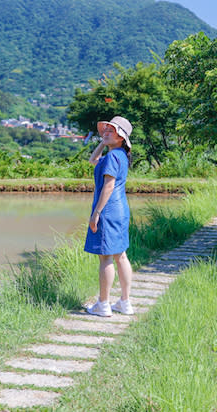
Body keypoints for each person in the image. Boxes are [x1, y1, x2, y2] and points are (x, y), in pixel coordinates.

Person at [84, 115, 134, 317]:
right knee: (121, 255)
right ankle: (125, 302)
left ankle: (103, 304)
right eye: (105, 129)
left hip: (108, 210)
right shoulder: (118, 155)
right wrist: (102, 143)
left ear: (121, 137)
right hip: (121, 210)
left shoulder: (113, 157)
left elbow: (109, 185)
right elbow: (93, 160)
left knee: (105, 258)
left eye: (111, 130)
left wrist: (96, 212)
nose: (106, 132)